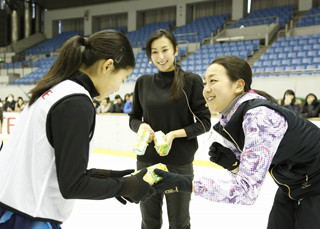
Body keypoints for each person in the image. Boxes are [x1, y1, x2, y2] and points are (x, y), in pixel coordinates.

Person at [0, 30, 155, 229]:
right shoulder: (76, 102)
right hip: (28, 218)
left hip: (12, 208)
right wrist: (127, 187)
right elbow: (72, 185)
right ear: (107, 66)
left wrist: (104, 177)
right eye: (123, 79)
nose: (118, 88)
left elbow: (48, 163)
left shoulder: (55, 89)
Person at [153, 56, 320, 229]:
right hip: (293, 184)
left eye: (213, 81)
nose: (206, 89)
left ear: (239, 85)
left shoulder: (259, 117)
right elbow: (246, 176)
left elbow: (247, 191)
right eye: (204, 83)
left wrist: (184, 183)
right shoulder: (229, 119)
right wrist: (234, 165)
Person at [129, 29, 211, 229]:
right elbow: (133, 118)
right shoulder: (143, 82)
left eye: (165, 50)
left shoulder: (190, 81)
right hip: (147, 161)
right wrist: (142, 126)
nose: (160, 56)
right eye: (154, 52)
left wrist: (175, 134)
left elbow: (204, 122)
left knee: (179, 222)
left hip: (179, 164)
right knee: (149, 221)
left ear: (175, 50)